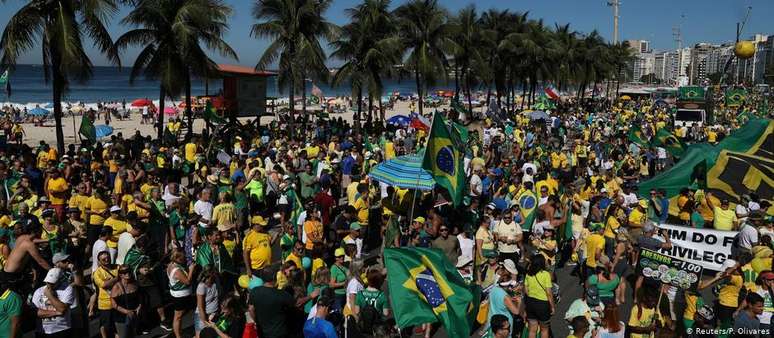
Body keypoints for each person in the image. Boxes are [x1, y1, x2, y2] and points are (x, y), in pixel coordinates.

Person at [249, 265, 297, 338]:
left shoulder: (254, 292)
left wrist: (256, 321)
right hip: (279, 333)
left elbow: (251, 309)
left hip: (262, 332)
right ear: (275, 277)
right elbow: (296, 305)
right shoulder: (282, 294)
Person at [32, 268, 76, 338]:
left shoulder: (68, 289)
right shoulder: (38, 291)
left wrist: (49, 295)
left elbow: (62, 309)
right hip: (42, 331)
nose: (49, 285)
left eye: (52, 283)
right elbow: (35, 312)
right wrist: (56, 313)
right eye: (47, 282)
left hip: (62, 330)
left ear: (60, 280)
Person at [487, 259, 522, 337]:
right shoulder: (505, 297)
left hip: (492, 322)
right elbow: (516, 312)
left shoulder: (494, 289)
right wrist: (519, 302)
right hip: (503, 325)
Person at [168, 248, 196, 338]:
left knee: (179, 315)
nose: (185, 259)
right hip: (180, 296)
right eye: (183, 257)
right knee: (178, 316)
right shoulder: (176, 270)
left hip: (181, 295)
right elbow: (187, 281)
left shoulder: (172, 264)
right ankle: (178, 336)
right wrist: (191, 269)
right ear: (178, 258)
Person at [524, 254, 554, 338]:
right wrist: (552, 307)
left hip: (530, 303)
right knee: (544, 329)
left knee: (532, 329)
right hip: (542, 304)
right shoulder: (545, 274)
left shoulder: (528, 274)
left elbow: (526, 290)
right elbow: (549, 293)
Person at [92, 250, 119, 338]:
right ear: (99, 262)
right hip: (105, 303)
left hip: (117, 300)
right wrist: (116, 279)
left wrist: (110, 281)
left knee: (116, 322)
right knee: (105, 324)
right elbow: (103, 284)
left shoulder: (117, 267)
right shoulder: (97, 273)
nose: (107, 260)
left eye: (108, 258)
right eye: (104, 259)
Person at [111, 265, 141, 338]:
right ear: (120, 275)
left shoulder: (135, 283)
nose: (127, 273)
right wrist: (127, 312)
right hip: (121, 318)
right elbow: (114, 305)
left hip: (134, 314)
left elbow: (139, 297)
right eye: (124, 272)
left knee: (133, 335)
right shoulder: (117, 287)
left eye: (129, 271)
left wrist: (139, 306)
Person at [194, 268, 219, 338]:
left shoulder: (215, 283)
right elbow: (200, 306)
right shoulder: (201, 286)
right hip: (203, 315)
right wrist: (205, 321)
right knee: (200, 336)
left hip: (214, 314)